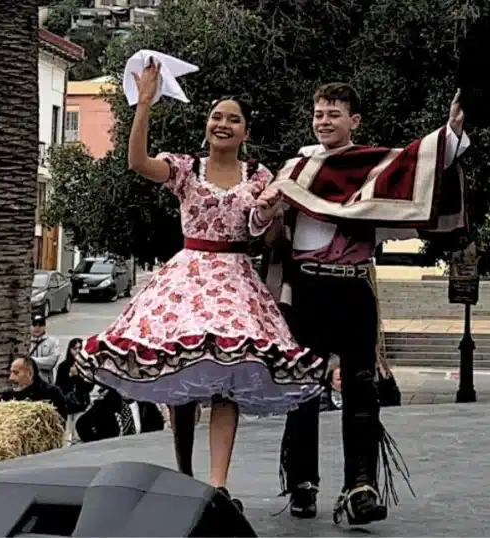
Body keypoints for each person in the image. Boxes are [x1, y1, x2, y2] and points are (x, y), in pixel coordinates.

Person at [76, 59, 326, 511]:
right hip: (189, 276)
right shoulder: (187, 168)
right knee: (182, 373)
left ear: (246, 131)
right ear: (206, 126)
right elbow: (137, 162)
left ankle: (216, 482)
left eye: (233, 119)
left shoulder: (259, 176)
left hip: (235, 280)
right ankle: (186, 477)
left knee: (226, 380)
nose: (223, 124)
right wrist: (145, 104)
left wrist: (271, 211)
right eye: (216, 116)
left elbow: (262, 231)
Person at [252, 82, 469, 525]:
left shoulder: (372, 167)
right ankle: (301, 483)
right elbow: (269, 234)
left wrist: (452, 130)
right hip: (306, 290)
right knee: (303, 389)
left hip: (353, 287)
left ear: (354, 121)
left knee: (361, 388)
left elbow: (421, 165)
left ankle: (361, 486)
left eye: (334, 113)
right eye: (318, 113)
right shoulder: (296, 168)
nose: (324, 120)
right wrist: (270, 212)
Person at [0, 357, 68, 421]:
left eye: (16, 373)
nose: (11, 378)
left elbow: (60, 423)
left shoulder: (51, 394)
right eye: (11, 373)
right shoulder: (7, 395)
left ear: (30, 374)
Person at [29, 315, 61, 384]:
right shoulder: (25, 342)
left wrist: (31, 360)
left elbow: (51, 362)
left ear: (44, 327)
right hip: (28, 382)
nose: (37, 328)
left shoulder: (53, 341)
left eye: (40, 325)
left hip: (46, 383)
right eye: (34, 325)